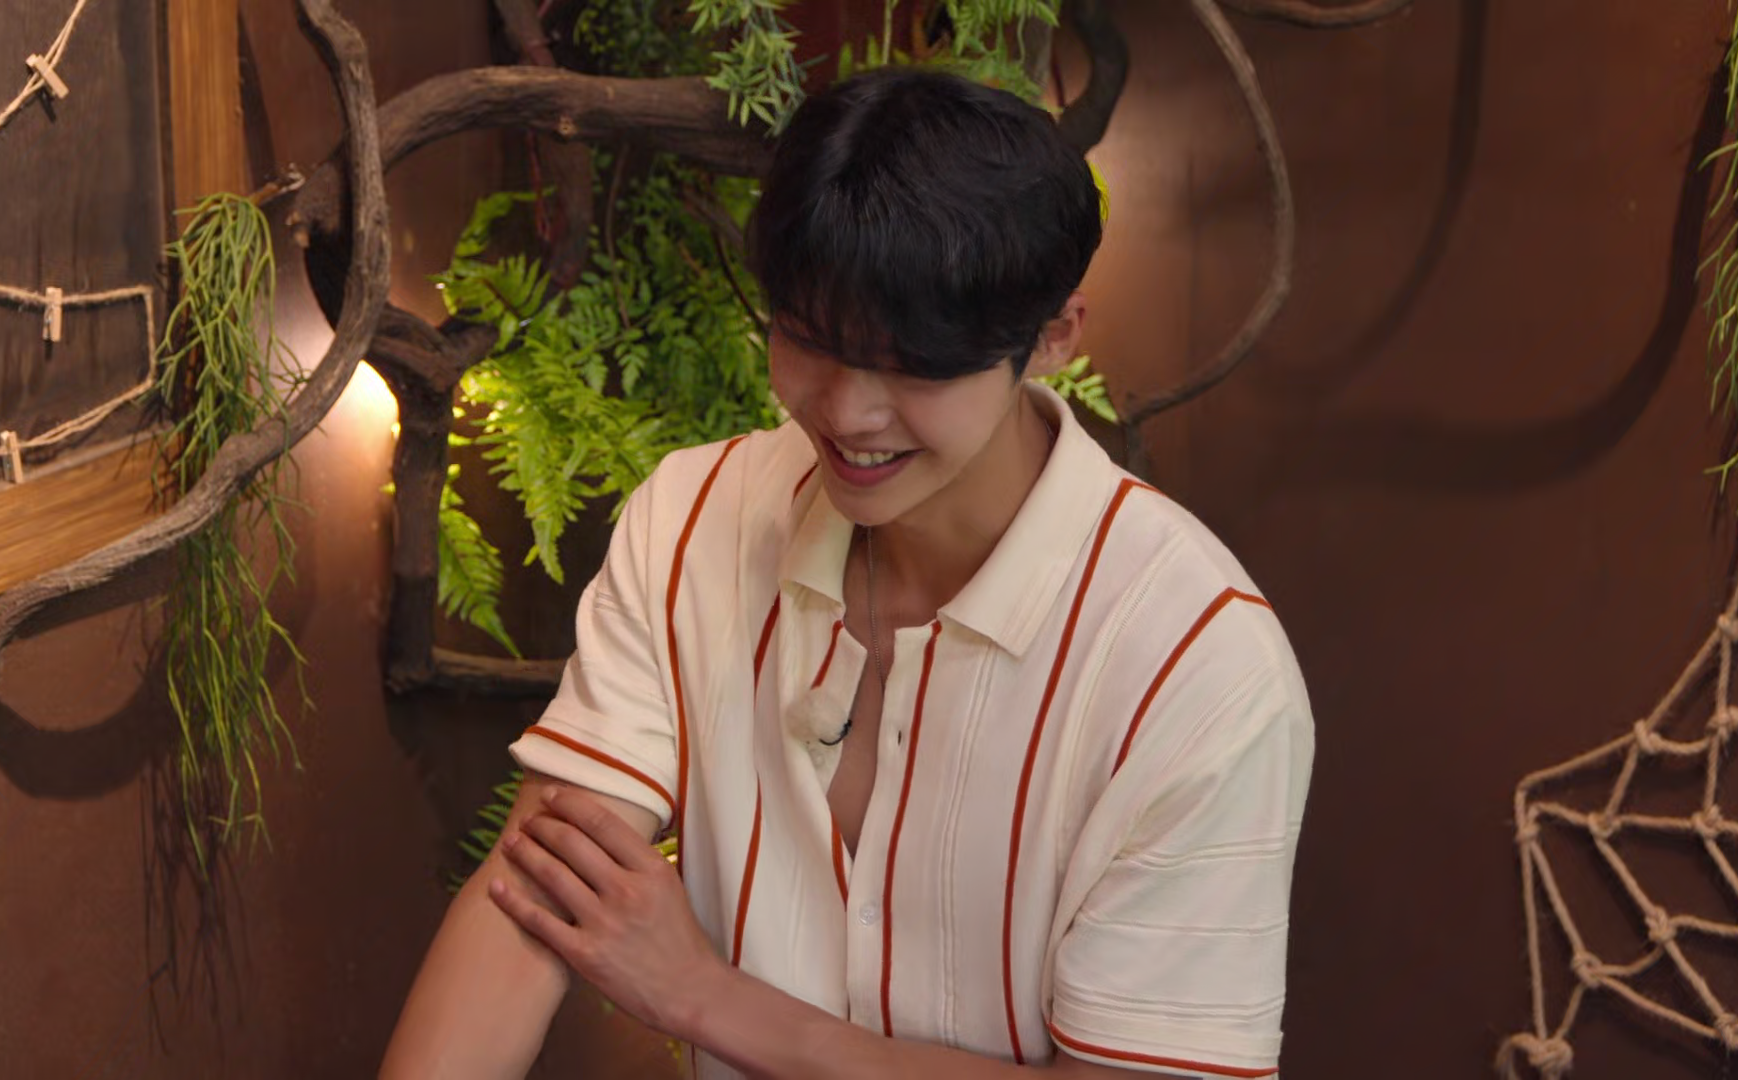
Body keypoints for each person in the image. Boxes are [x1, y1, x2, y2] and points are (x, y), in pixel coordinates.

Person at [380, 67, 1314, 1080]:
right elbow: (540, 888)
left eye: (913, 364)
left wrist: (705, 998)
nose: (846, 412)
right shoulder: (696, 518)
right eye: (807, 339)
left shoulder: (1198, 667)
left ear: (1051, 337)